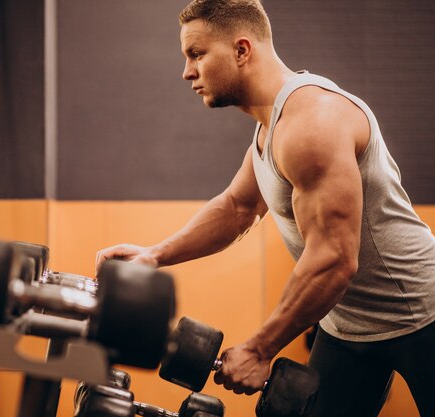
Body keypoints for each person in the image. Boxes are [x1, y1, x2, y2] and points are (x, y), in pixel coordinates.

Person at [94, 1, 435, 416]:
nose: (187, 72)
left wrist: (260, 348)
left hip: (422, 313)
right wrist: (155, 254)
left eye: (196, 54)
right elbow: (238, 207)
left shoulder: (312, 123)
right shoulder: (272, 125)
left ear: (241, 50)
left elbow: (333, 259)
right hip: (347, 326)